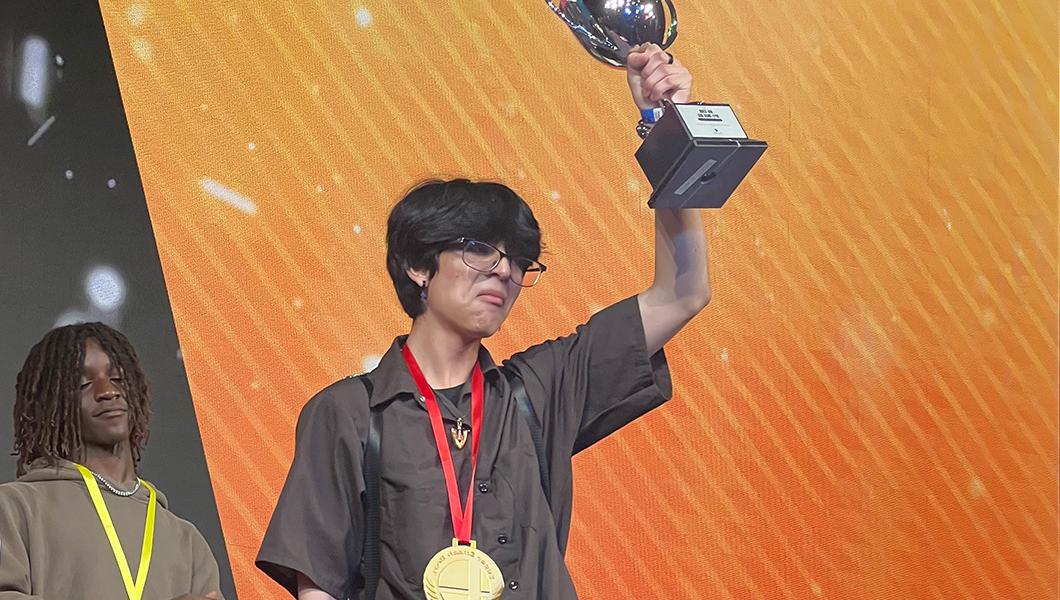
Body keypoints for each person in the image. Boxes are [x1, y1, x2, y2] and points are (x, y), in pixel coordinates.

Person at [256, 43, 708, 600]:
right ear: (419, 265)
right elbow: (317, 587)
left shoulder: (539, 390)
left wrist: (667, 125)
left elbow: (682, 292)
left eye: (519, 260)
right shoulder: (347, 414)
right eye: (479, 249)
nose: (503, 270)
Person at [0, 322, 224, 600]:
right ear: (49, 403)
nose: (108, 391)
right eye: (83, 384)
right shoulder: (13, 509)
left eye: (118, 379)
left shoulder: (187, 540)